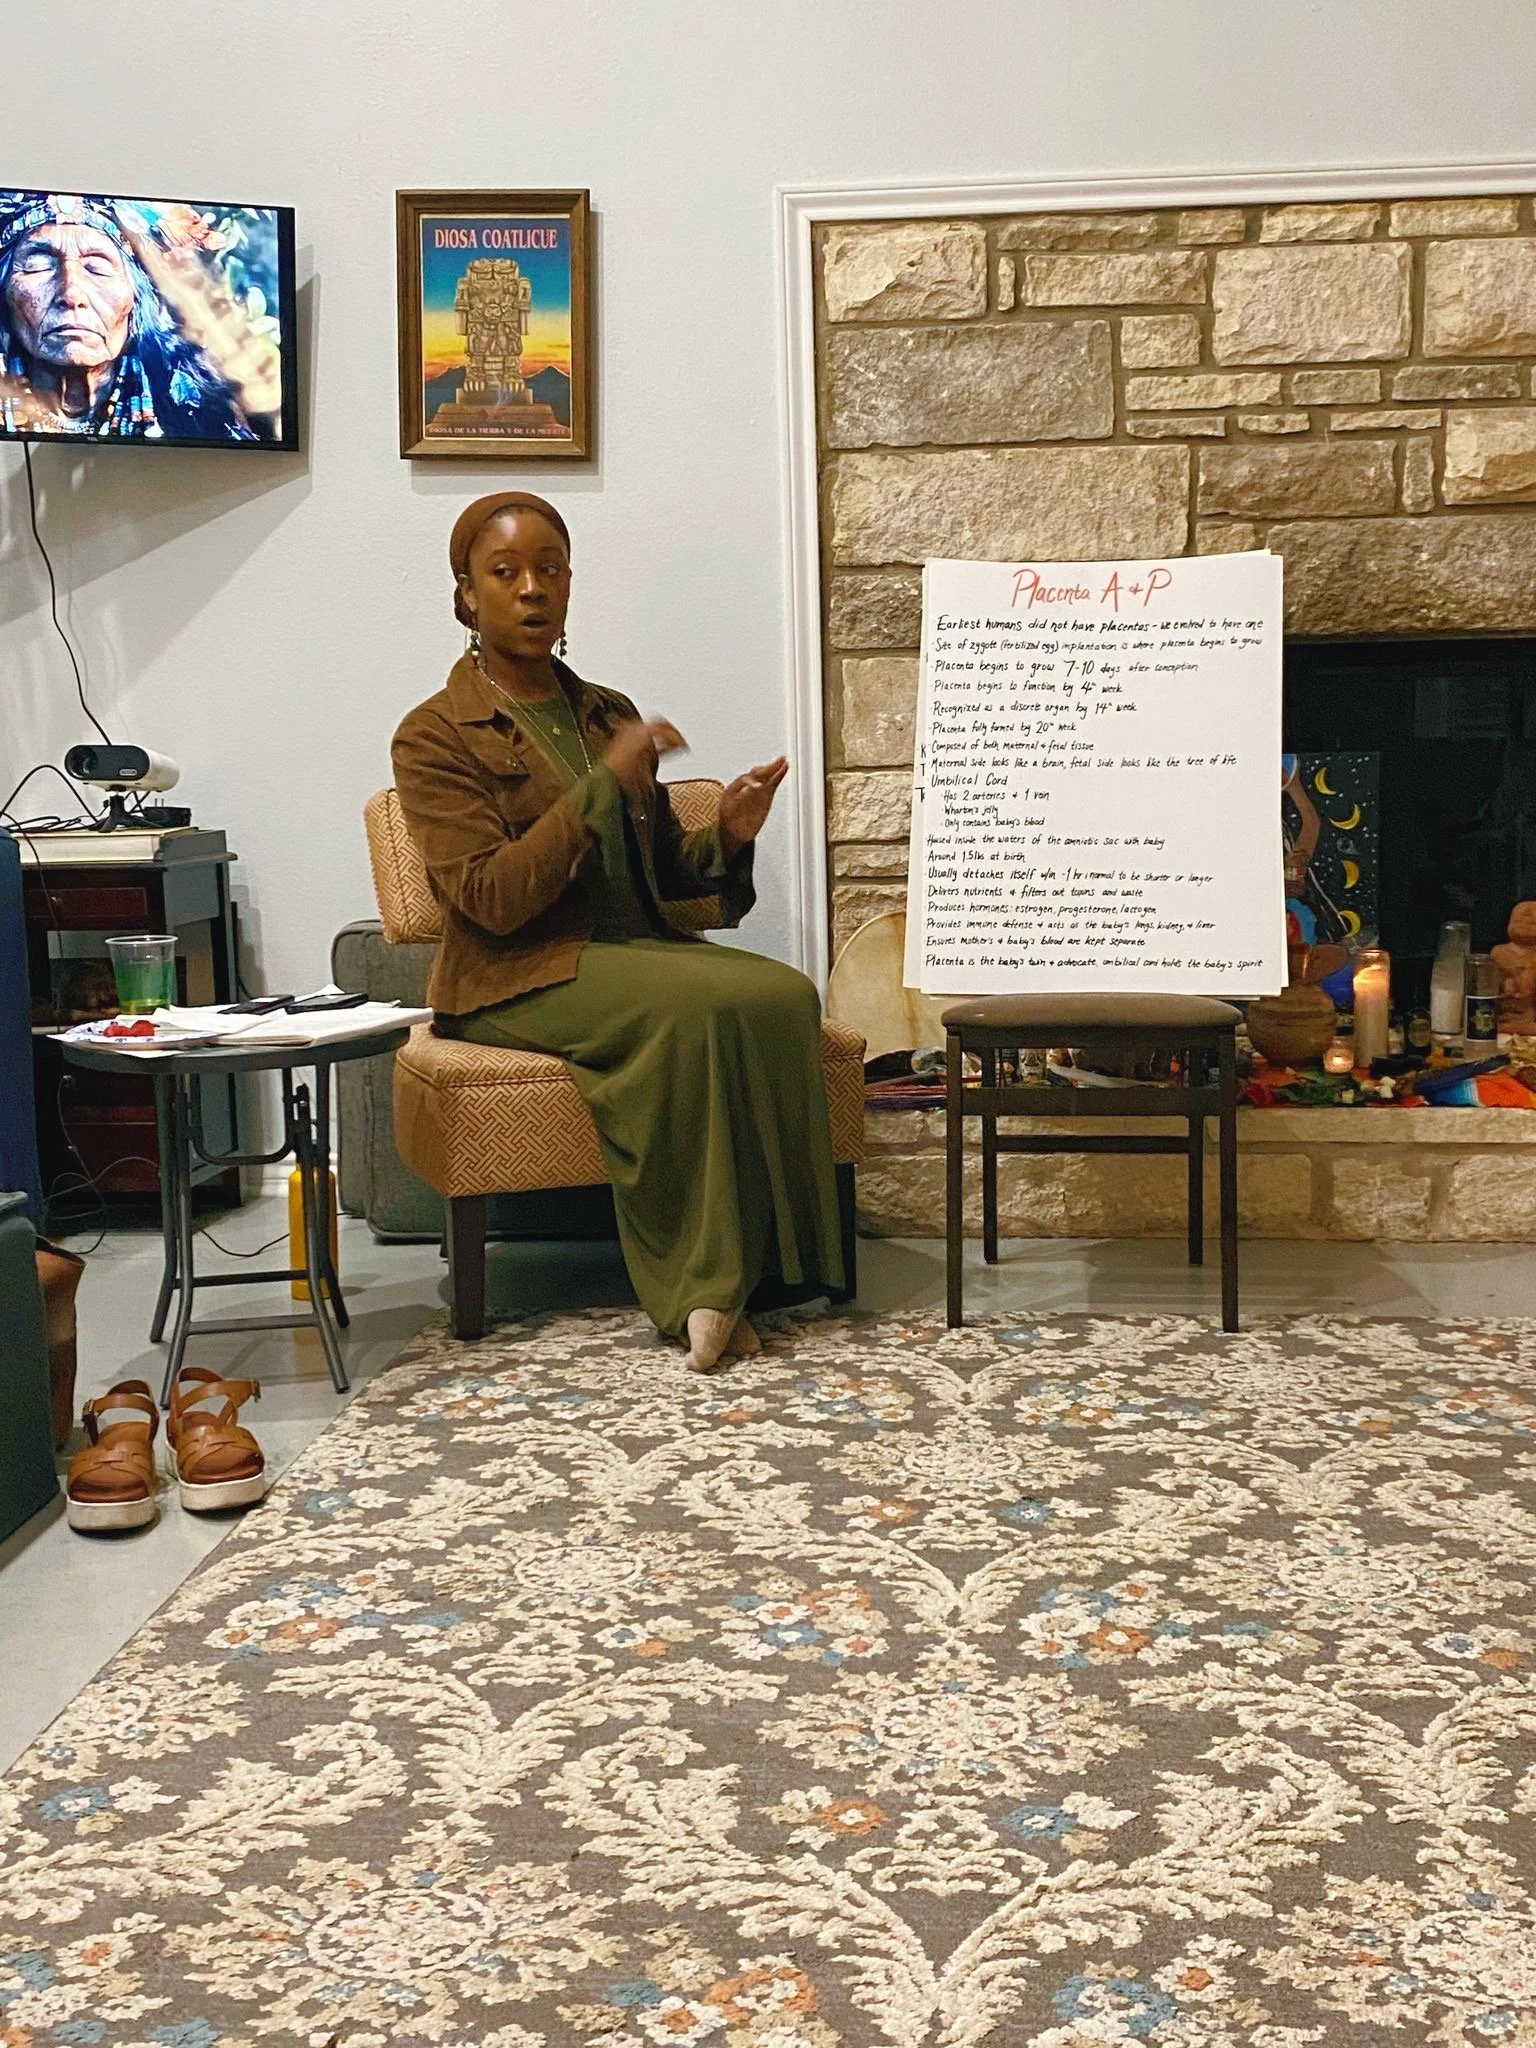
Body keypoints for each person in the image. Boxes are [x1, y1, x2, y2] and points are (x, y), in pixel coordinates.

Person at [391, 492, 845, 1373]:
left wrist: (734, 834)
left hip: (632, 955)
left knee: (782, 990)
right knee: (695, 1007)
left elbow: (673, 874)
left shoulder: (606, 711)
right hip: (514, 974)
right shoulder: (433, 734)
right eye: (507, 573)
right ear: (465, 596)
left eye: (551, 570)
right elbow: (489, 897)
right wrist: (602, 785)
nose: (533, 590)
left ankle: (780, 1270)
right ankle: (703, 1287)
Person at [0, 192, 267, 440]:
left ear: (137, 299)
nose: (71, 295)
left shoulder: (207, 415)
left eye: (97, 267)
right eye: (38, 266)